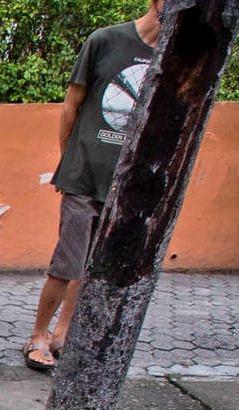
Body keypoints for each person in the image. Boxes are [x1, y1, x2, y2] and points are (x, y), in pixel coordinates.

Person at [21, 0, 163, 374]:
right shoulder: (106, 40)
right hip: (84, 175)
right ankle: (38, 333)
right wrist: (68, 159)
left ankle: (64, 333)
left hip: (128, 183)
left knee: (93, 264)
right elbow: (72, 104)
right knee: (68, 259)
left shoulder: (171, 56)